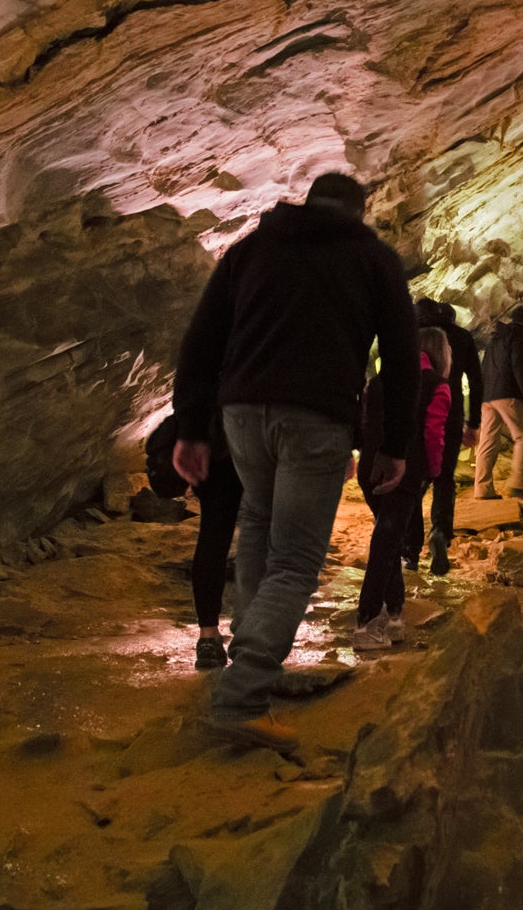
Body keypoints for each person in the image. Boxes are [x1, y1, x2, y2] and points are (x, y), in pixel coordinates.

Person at [172, 172, 417, 752]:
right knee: (297, 560)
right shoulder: (371, 257)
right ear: (362, 209)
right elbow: (403, 356)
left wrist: (191, 427)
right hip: (314, 415)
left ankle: (254, 661)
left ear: (308, 202)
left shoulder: (251, 249)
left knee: (256, 522)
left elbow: (201, 340)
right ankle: (243, 689)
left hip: (241, 414)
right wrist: (395, 446)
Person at [353, 326, 451, 650]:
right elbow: (433, 435)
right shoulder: (438, 385)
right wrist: (435, 473)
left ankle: (395, 616)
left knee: (388, 537)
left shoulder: (379, 381)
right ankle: (366, 623)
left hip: (370, 468)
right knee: (385, 542)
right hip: (406, 470)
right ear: (440, 354)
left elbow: (366, 424)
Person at [146, 413, 243, 669]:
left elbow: (192, 384)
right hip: (258, 433)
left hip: (218, 441)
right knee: (263, 534)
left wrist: (192, 434)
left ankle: (208, 637)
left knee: (213, 534)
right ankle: (255, 632)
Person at [407, 298, 480, 576]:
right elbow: (476, 379)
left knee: (413, 481)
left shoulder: (410, 334)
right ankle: (440, 531)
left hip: (412, 411)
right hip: (451, 411)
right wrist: (473, 423)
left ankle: (410, 551)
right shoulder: (461, 336)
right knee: (445, 479)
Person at [474, 303, 523, 500]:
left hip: (488, 396)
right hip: (507, 392)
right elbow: (519, 364)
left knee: (487, 440)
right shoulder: (519, 334)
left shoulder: (496, 337)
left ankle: (482, 489)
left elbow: (484, 366)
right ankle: (519, 485)